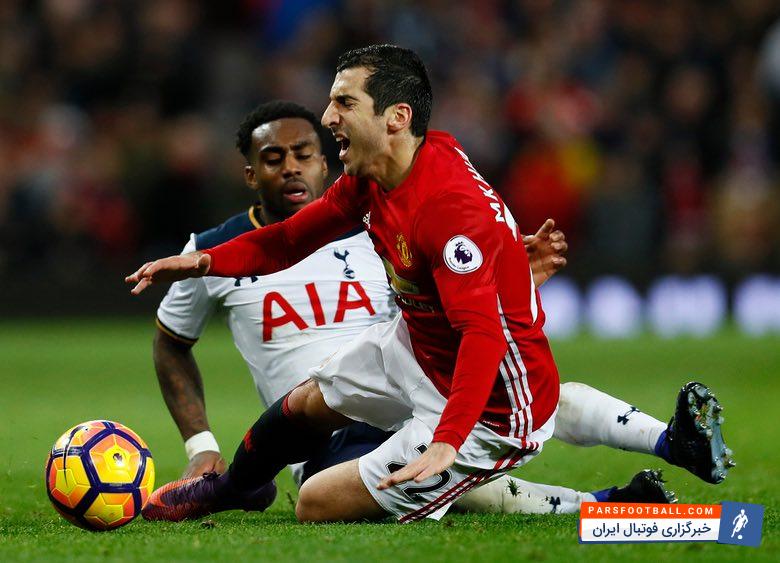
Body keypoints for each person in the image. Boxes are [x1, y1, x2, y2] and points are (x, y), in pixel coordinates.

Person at [129, 46, 731, 523]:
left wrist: (448, 440)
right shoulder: (379, 173)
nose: (329, 117)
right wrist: (201, 262)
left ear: (396, 118)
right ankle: (230, 489)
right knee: (307, 403)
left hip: (489, 404)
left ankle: (617, 510)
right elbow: (286, 241)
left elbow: (482, 333)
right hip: (417, 346)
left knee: (316, 502)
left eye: (343, 103)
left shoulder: (446, 208)